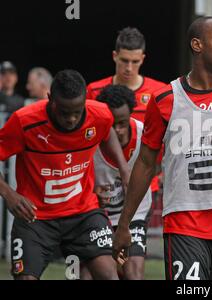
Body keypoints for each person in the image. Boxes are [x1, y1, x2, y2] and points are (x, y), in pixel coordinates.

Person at [112, 16, 212, 280]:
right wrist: (124, 224)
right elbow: (145, 163)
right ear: (197, 44)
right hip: (183, 222)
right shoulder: (165, 100)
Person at [0, 69, 130, 280]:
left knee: (109, 273)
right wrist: (9, 194)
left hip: (83, 213)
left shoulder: (100, 114)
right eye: (64, 112)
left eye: (77, 112)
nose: (71, 119)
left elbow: (107, 132)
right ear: (50, 99)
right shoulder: (25, 121)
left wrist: (123, 168)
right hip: (35, 217)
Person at [92, 84, 152, 280]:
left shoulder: (144, 135)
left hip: (135, 213)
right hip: (99, 216)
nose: (117, 130)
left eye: (122, 124)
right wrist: (92, 191)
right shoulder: (90, 140)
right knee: (93, 273)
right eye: (112, 124)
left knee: (133, 273)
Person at [86, 27, 166, 122]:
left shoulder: (159, 92)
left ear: (142, 59)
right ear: (114, 56)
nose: (129, 68)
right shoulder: (94, 90)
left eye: (135, 61)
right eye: (124, 60)